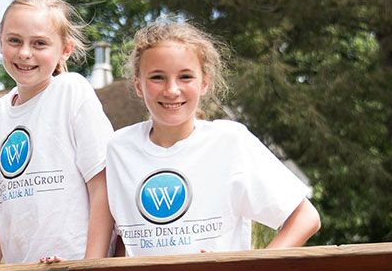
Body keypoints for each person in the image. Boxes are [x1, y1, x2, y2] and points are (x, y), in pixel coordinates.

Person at [106, 20, 320, 256]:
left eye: (185, 77)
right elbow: (120, 239)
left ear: (205, 83)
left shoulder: (230, 141)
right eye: (157, 77)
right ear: (138, 85)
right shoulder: (119, 148)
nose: (172, 90)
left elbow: (305, 217)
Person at [0, 0, 114, 264]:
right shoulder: (0, 110)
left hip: (72, 269)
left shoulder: (71, 91)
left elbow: (103, 187)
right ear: (0, 41)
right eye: (14, 40)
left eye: (39, 43)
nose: (24, 53)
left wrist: (91, 266)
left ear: (65, 49)